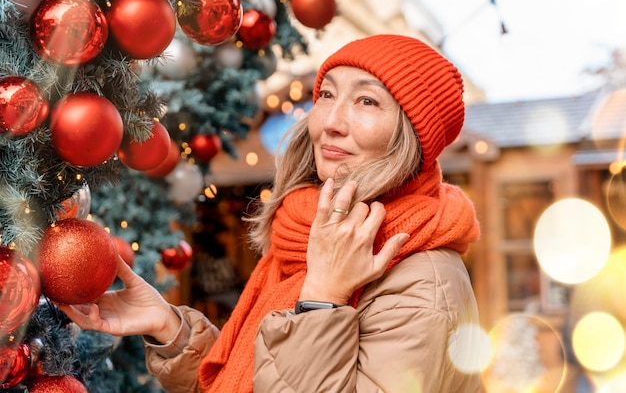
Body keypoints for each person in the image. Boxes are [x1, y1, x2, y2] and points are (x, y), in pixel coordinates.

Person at [59, 35, 485, 392]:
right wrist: (171, 328)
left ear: (412, 135)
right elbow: (262, 378)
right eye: (328, 94)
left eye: (367, 102)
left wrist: (323, 300)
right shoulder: (305, 236)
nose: (331, 122)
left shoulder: (421, 282)